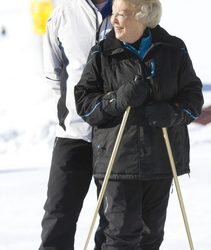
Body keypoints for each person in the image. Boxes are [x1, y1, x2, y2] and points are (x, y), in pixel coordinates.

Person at [75, 0, 204, 248]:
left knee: (150, 237)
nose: (114, 20)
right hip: (117, 160)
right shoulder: (103, 52)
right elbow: (85, 103)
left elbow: (193, 99)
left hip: (160, 158)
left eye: (122, 14)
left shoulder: (172, 49)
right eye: (113, 14)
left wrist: (171, 113)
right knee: (120, 236)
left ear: (143, 17)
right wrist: (119, 99)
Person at [39, 1, 112, 249]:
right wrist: (71, 107)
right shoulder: (64, 11)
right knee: (58, 215)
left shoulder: (130, 8)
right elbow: (53, 72)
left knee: (114, 222)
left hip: (115, 136)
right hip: (73, 133)